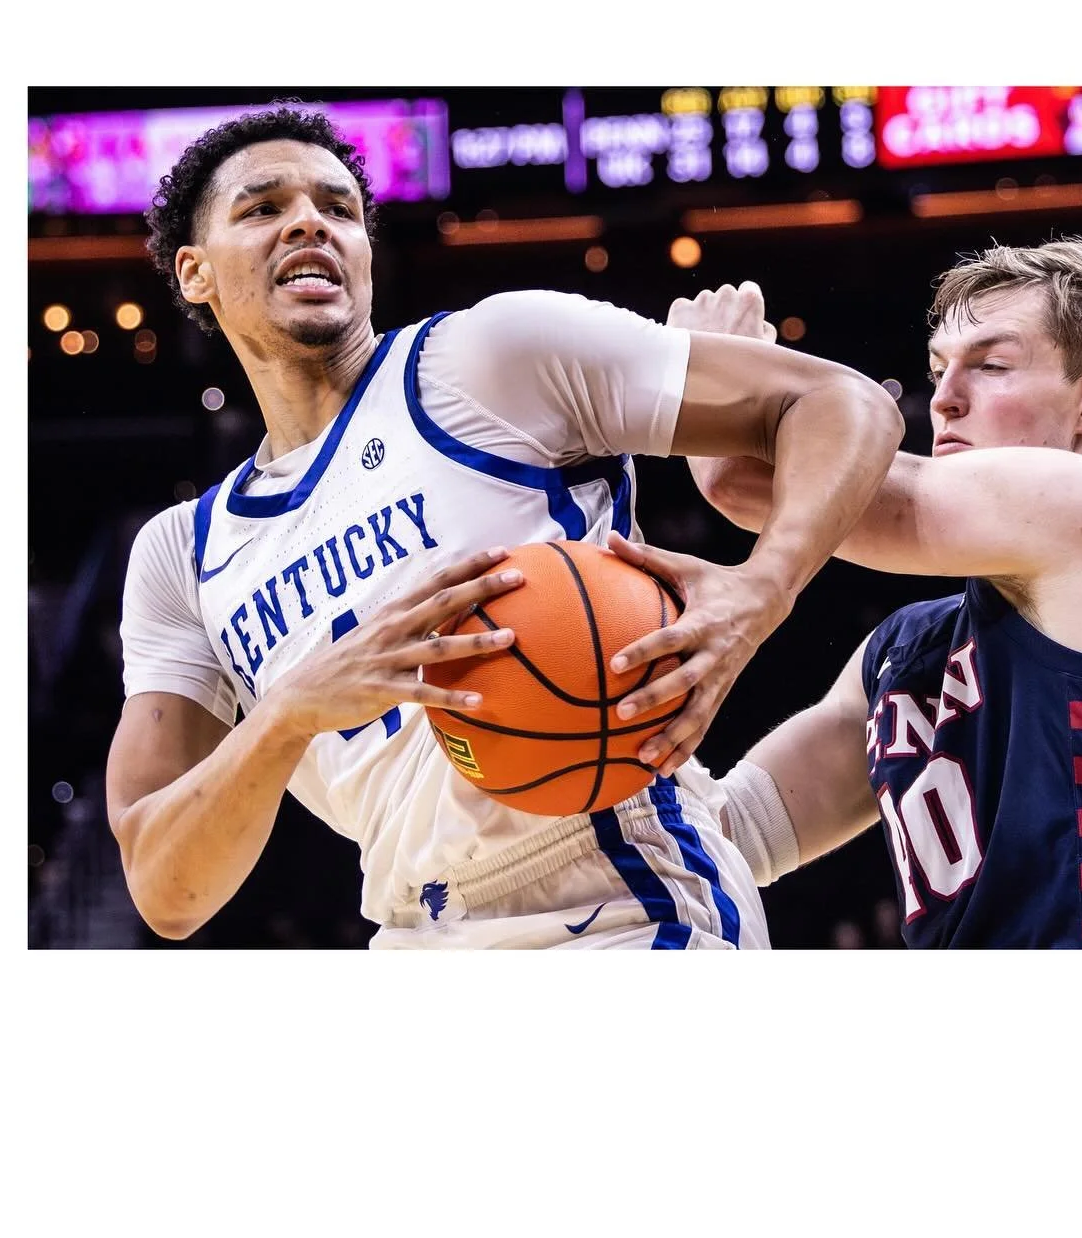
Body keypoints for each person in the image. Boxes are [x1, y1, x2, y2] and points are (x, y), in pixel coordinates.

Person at [105, 105, 903, 950]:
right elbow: (168, 891)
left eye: (338, 209)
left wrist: (761, 589)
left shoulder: (485, 359)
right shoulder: (181, 556)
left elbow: (840, 402)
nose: (311, 221)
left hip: (625, 896)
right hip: (409, 924)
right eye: (264, 208)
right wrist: (288, 712)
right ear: (194, 273)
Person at [652, 243, 1082, 947]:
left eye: (991, 365)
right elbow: (730, 834)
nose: (946, 397)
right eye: (939, 367)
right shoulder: (901, 653)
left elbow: (744, 484)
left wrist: (702, 373)